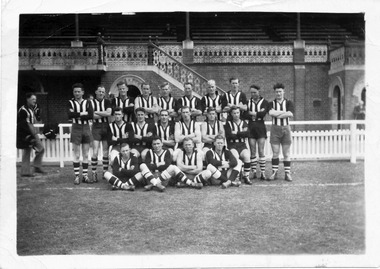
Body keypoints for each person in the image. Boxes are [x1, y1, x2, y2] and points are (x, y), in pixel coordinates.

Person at [67, 83, 94, 185]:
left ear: (83, 92)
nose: (77, 93)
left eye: (79, 91)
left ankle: (85, 176)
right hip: (76, 128)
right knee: (77, 154)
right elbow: (70, 114)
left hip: (86, 128)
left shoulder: (87, 102)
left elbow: (90, 115)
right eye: (75, 92)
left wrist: (77, 115)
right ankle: (77, 176)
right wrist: (83, 114)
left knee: (86, 154)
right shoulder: (70, 102)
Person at [268, 83, 294, 182]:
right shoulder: (271, 103)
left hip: (286, 129)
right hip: (275, 129)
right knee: (275, 152)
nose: (278, 93)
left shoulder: (288, 102)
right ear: (275, 92)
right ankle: (274, 172)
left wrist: (277, 114)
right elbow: (270, 113)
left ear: (283, 92)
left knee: (286, 153)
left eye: (280, 91)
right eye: (277, 92)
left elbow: (290, 114)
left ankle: (287, 173)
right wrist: (284, 113)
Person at [17, 93, 45, 177]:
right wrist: (28, 135)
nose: (34, 101)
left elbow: (37, 118)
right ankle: (25, 172)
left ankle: (36, 166)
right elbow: (22, 124)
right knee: (27, 151)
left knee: (41, 149)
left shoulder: (32, 109)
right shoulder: (23, 110)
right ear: (27, 99)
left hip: (33, 130)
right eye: (33, 99)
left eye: (35, 99)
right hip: (26, 130)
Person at [224, 107, 251, 185]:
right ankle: (237, 176)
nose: (236, 115)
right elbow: (229, 136)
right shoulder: (228, 123)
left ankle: (246, 176)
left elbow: (247, 134)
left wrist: (236, 133)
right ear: (231, 114)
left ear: (240, 113)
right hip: (232, 145)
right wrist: (241, 133)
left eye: (237, 113)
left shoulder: (244, 123)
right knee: (235, 157)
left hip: (242, 145)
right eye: (234, 113)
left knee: (246, 156)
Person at [90, 85, 112, 182]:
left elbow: (108, 113)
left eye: (103, 92)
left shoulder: (107, 102)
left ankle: (105, 172)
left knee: (105, 151)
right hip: (96, 128)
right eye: (99, 91)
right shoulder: (91, 102)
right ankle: (94, 173)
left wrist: (97, 112)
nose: (101, 93)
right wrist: (102, 113)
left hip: (106, 127)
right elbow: (91, 116)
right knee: (95, 151)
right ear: (96, 92)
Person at [247, 84, 269, 180]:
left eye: (255, 92)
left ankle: (263, 172)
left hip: (260, 127)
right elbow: (245, 115)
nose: (253, 94)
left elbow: (263, 113)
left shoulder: (264, 102)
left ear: (259, 92)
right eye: (251, 92)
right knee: (252, 151)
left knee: (261, 150)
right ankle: (254, 172)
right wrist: (257, 114)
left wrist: (252, 113)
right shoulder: (248, 102)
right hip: (251, 127)